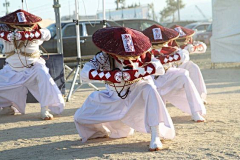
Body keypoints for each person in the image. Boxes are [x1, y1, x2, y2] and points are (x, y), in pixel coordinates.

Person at [74, 27, 175, 151]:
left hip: (135, 92)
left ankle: (155, 135)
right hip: (113, 95)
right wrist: (112, 76)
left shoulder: (141, 54)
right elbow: (85, 73)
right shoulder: (103, 57)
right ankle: (99, 133)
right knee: (80, 117)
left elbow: (158, 67)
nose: (126, 55)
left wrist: (135, 73)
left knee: (149, 89)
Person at [0, 9, 64, 120]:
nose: (22, 26)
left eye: (25, 24)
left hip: (33, 68)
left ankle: (45, 109)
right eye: (18, 25)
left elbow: (47, 34)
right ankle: (7, 108)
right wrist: (11, 36)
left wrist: (27, 34)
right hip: (12, 70)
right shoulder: (5, 33)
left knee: (44, 75)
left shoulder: (37, 32)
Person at [142, 24, 206, 122]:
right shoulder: (143, 52)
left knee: (184, 75)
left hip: (168, 74)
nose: (160, 44)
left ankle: (195, 111)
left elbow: (186, 55)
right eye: (156, 42)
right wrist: (170, 58)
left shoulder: (172, 49)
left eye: (162, 41)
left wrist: (189, 49)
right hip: (151, 79)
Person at [169, 25, 208, 104]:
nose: (181, 41)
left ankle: (199, 97)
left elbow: (203, 47)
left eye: (182, 38)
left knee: (193, 67)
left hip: (181, 66)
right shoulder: (165, 43)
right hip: (168, 69)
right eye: (178, 39)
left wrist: (193, 48)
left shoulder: (186, 44)